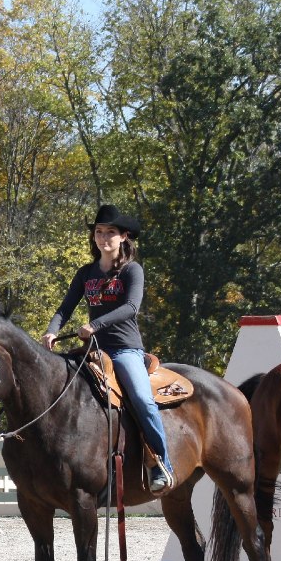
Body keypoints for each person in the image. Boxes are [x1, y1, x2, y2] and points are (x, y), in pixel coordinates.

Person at [40, 204, 175, 494]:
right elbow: (64, 309)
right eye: (99, 232)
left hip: (124, 349)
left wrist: (96, 324)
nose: (103, 238)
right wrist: (52, 331)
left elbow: (131, 307)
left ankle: (161, 463)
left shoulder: (131, 270)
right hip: (93, 351)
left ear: (124, 236)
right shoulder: (85, 273)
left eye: (110, 233)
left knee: (141, 398)